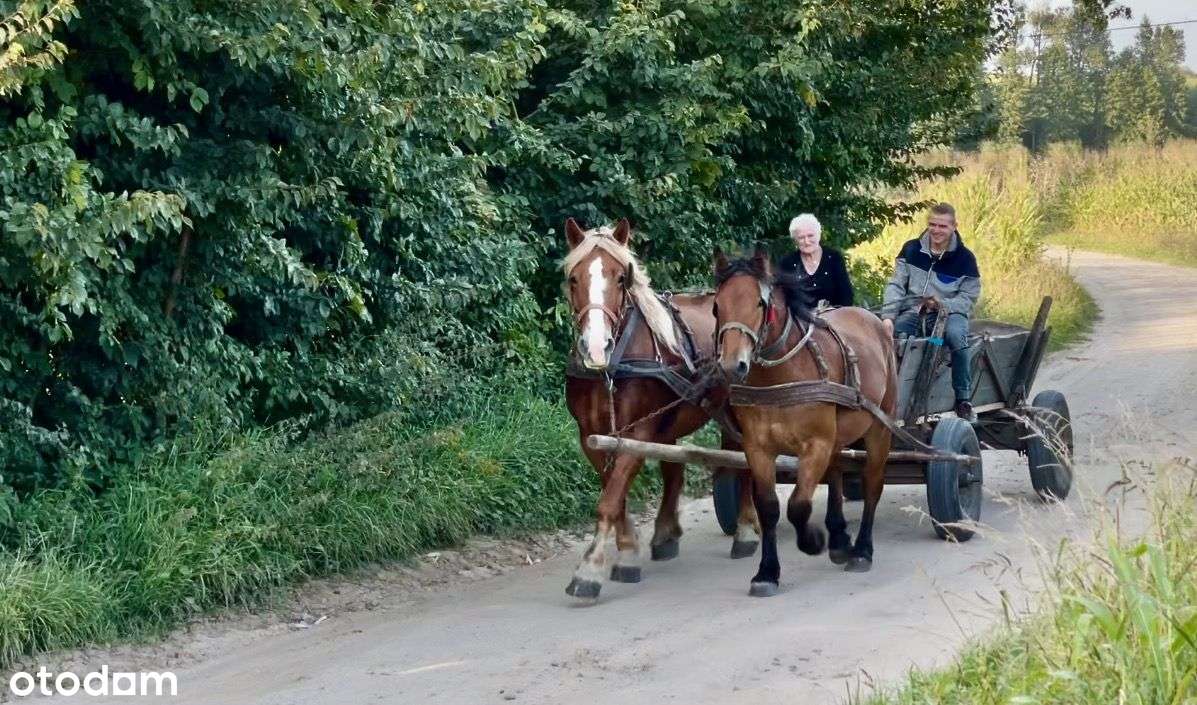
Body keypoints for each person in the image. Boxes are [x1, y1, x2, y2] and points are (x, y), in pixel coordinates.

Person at [881, 202, 982, 420]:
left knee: (955, 336)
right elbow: (896, 285)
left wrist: (943, 305)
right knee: (892, 334)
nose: (936, 230)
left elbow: (968, 298)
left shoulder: (965, 259)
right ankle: (888, 395)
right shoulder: (912, 249)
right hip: (915, 311)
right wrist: (888, 317)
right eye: (932, 224)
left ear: (954, 226)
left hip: (949, 314)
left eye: (942, 226)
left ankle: (963, 399)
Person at [778, 213, 854, 307]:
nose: (807, 241)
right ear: (795, 240)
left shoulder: (834, 258)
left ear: (819, 235)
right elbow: (782, 299)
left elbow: (846, 296)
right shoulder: (787, 263)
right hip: (798, 319)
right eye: (801, 237)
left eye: (810, 236)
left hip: (833, 318)